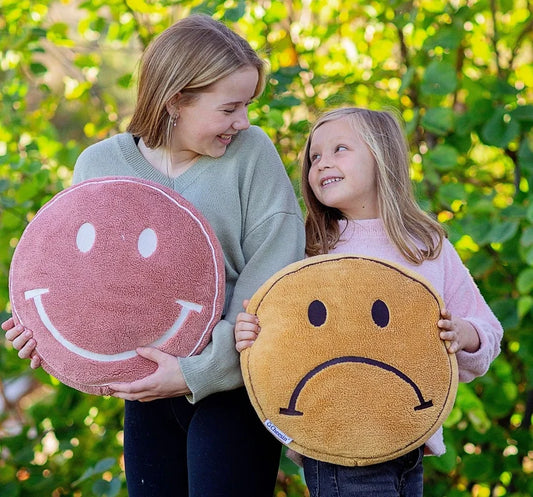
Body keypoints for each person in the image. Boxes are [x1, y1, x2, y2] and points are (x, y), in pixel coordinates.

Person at [2, 14, 306, 497]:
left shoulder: (251, 155)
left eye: (247, 105)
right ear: (176, 101)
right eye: (230, 108)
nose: (243, 122)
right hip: (144, 396)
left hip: (234, 386)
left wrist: (196, 371)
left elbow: (274, 279)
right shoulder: (99, 165)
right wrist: (45, 331)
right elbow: (80, 282)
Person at [234, 107, 503, 497]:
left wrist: (465, 334)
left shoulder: (425, 247)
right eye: (314, 157)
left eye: (339, 149)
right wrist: (251, 332)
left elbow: (488, 331)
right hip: (337, 445)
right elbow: (278, 332)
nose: (322, 163)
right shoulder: (308, 247)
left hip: (409, 443)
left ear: (382, 157)